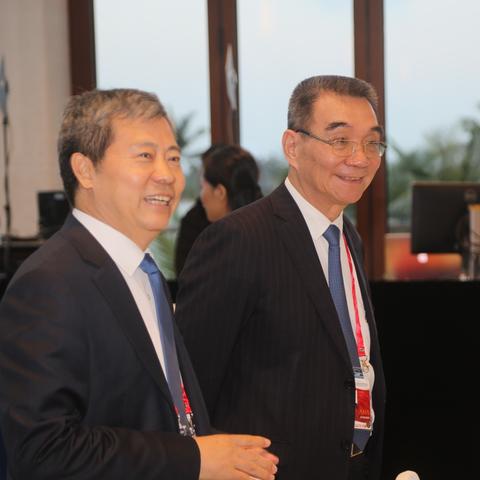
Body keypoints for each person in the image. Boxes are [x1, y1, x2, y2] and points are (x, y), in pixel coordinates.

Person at [0, 89, 279, 480]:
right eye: (145, 156)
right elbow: (42, 451)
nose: (167, 175)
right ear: (85, 170)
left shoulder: (144, 272)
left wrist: (222, 452)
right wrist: (195, 458)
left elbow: (162, 414)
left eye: (173, 158)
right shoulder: (48, 284)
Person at [175, 75, 387, 480]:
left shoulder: (349, 238)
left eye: (372, 142)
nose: (360, 158)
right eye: (340, 141)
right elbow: (192, 387)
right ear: (292, 147)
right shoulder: (238, 239)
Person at [174, 144, 262, 277]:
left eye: (203, 186)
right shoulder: (269, 224)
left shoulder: (221, 247)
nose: (201, 196)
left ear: (220, 192)